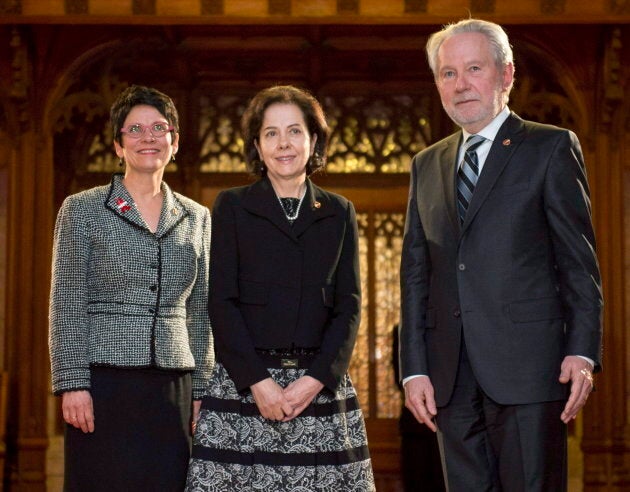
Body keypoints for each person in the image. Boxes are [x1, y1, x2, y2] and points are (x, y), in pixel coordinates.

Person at [399, 19, 603, 491]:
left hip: (531, 369)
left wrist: (582, 350)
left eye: (474, 68)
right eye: (448, 73)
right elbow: (415, 273)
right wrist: (414, 368)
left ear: (506, 75)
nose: (461, 84)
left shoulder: (549, 147)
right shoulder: (426, 164)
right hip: (449, 377)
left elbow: (579, 263)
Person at [186, 85, 375, 491]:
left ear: (313, 141)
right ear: (257, 144)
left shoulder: (339, 211)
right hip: (246, 387)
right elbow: (221, 301)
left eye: (294, 131)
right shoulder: (232, 206)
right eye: (271, 133)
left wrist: (316, 380)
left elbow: (349, 306)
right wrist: (259, 382)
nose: (283, 143)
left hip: (320, 388)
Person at [48, 85, 214, 491]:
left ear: (174, 142)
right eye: (135, 130)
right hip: (103, 385)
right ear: (118, 146)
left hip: (172, 385)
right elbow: (66, 302)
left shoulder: (197, 217)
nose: (148, 138)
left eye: (159, 128)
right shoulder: (82, 209)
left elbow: (201, 310)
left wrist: (202, 389)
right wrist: (73, 384)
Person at [392, 326, 445, 492]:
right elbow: (400, 378)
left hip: (454, 421)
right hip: (415, 424)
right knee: (417, 482)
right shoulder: (403, 330)